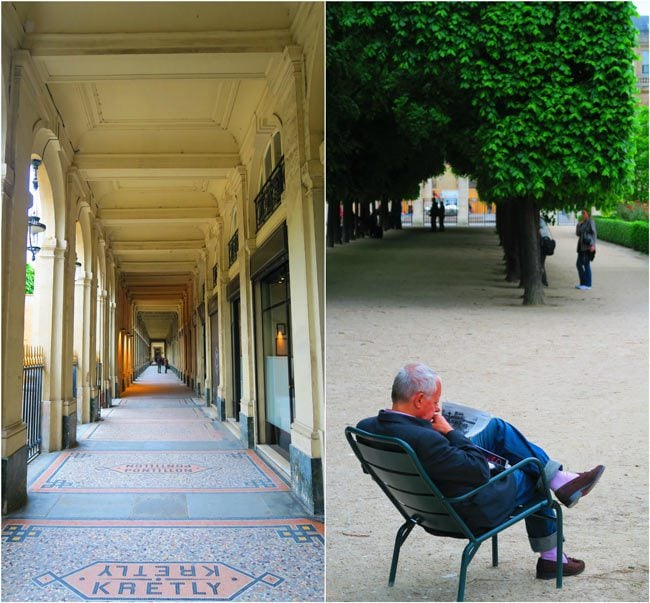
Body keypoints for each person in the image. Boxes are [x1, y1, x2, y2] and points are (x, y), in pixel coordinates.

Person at [357, 363, 604, 580]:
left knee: (495, 428)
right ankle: (553, 553)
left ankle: (560, 481)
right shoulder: (427, 441)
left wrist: (436, 436)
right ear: (419, 400)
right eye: (435, 403)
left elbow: (375, 469)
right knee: (533, 474)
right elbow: (477, 471)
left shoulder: (366, 429)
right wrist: (451, 433)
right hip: (466, 512)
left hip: (424, 508)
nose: (438, 409)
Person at [575, 209, 597, 290]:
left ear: (588, 213)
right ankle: (583, 283)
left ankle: (588, 284)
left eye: (584, 213)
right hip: (581, 246)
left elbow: (594, 234)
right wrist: (579, 224)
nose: (583, 214)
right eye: (582, 213)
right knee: (578, 264)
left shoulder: (591, 221)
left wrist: (593, 245)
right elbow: (578, 233)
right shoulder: (583, 222)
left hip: (588, 246)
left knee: (586, 264)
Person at [539, 217, 555, 287]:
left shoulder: (539, 221)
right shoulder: (542, 220)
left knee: (541, 264)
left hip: (543, 245)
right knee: (541, 264)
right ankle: (544, 281)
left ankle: (544, 281)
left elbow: (541, 233)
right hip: (545, 245)